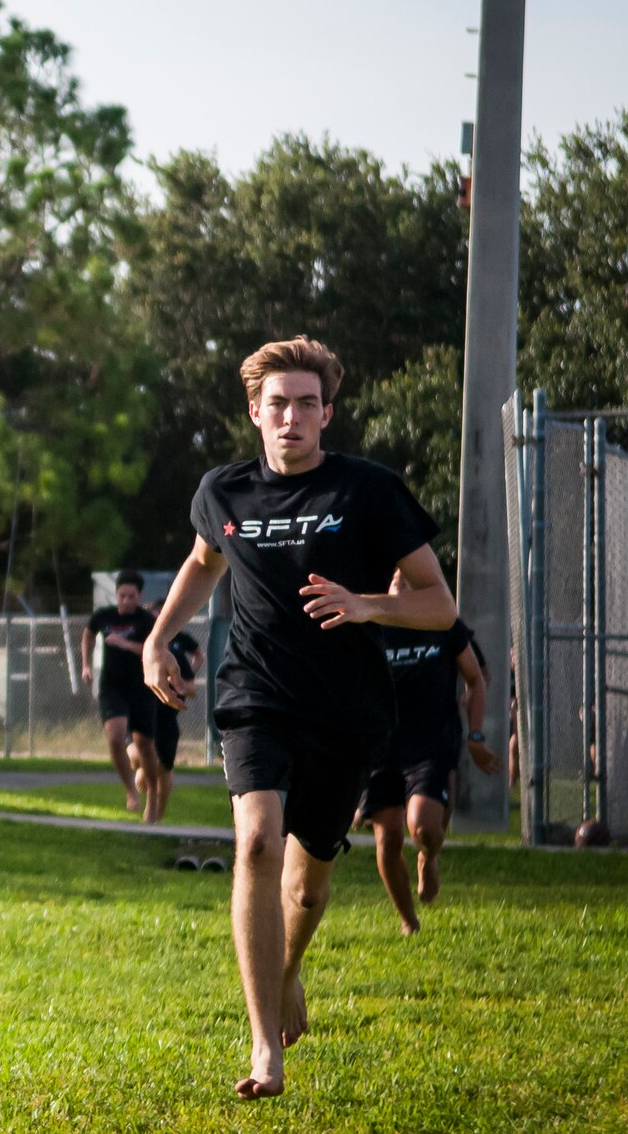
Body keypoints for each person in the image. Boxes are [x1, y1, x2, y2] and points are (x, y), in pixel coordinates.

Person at [140, 336, 457, 1101]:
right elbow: (202, 563)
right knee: (254, 842)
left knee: (308, 889)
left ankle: (286, 969)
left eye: (306, 404)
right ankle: (263, 1050)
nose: (291, 417)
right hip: (255, 695)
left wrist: (366, 605)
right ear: (255, 411)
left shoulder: (369, 492)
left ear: (327, 413)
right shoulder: (224, 493)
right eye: (277, 403)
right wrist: (156, 639)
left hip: (347, 711)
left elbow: (440, 606)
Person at [358, 621, 501, 934]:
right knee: (389, 838)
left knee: (424, 827)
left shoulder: (442, 620)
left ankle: (428, 855)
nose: (399, 575)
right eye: (393, 571)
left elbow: (478, 676)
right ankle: (409, 921)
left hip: (430, 746)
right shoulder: (368, 619)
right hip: (380, 748)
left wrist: (475, 735)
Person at [84, 572, 164, 820]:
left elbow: (155, 649)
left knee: (145, 746)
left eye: (131, 596)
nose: (126, 601)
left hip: (141, 688)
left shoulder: (147, 621)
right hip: (112, 686)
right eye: (122, 595)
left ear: (139, 596)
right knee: (116, 737)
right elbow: (88, 633)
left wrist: (125, 644)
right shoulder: (104, 616)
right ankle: (131, 790)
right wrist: (86, 664)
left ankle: (151, 796)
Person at [138, 599, 203, 821]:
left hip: (166, 718)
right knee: (137, 750)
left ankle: (157, 818)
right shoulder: (142, 646)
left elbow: (191, 688)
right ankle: (141, 770)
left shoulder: (176, 651)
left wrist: (178, 684)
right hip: (143, 714)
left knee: (164, 767)